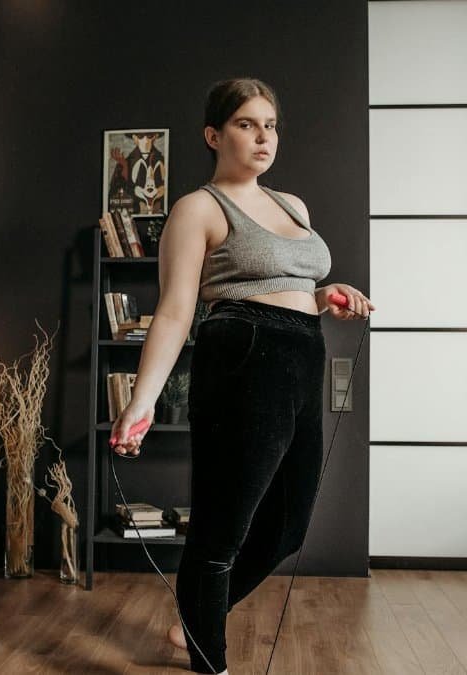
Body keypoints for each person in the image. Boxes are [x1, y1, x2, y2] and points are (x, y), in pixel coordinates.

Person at [110, 78, 374, 674]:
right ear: (213, 135)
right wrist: (141, 401)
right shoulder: (198, 208)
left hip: (301, 359)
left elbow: (289, 284)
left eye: (270, 125)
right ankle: (211, 660)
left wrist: (324, 294)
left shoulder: (293, 205)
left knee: (288, 525)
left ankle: (195, 620)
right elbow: (176, 311)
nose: (263, 137)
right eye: (246, 124)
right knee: (221, 528)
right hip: (242, 358)